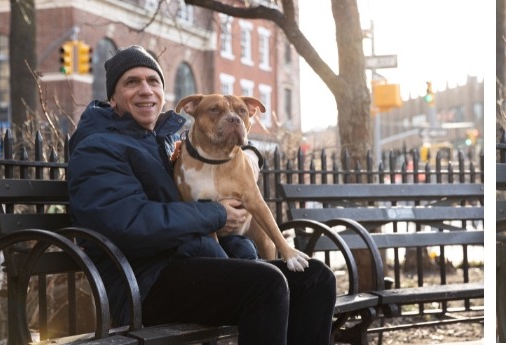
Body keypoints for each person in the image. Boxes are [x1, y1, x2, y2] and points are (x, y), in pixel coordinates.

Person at [67, 45, 336, 345]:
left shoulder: (159, 142)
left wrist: (250, 157)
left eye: (153, 81)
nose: (145, 90)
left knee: (316, 278)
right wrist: (216, 214)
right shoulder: (97, 148)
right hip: (142, 283)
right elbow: (130, 223)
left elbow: (221, 164)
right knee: (266, 283)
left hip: (186, 264)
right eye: (132, 82)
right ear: (113, 98)